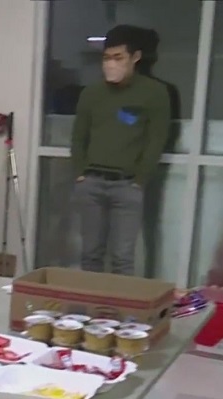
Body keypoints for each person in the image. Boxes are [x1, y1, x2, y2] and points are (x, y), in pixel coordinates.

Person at [70, 26, 171, 276]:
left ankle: (120, 314)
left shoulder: (154, 93)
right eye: (106, 58)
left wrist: (140, 179)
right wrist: (80, 172)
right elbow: (78, 136)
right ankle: (89, 312)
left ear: (134, 57)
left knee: (122, 258)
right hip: (91, 183)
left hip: (127, 186)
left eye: (118, 58)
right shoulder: (91, 94)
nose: (111, 64)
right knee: (90, 254)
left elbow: (156, 139)